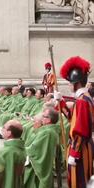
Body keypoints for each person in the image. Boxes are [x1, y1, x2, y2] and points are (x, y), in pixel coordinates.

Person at [59, 56, 93, 187]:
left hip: (80, 148)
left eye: (69, 82)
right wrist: (61, 103)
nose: (68, 85)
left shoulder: (82, 101)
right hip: (82, 146)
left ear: (76, 83)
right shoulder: (84, 98)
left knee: (78, 182)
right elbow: (74, 119)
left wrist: (74, 153)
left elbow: (80, 129)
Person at [24, 107, 59, 188]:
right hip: (44, 163)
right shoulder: (48, 130)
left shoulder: (47, 132)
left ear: (49, 119)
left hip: (40, 165)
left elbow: (33, 149)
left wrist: (22, 150)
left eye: (44, 116)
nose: (41, 118)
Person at [0, 120, 26, 188]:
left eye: (4, 127)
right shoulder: (21, 148)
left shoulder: (7, 152)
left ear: (9, 133)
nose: (2, 129)